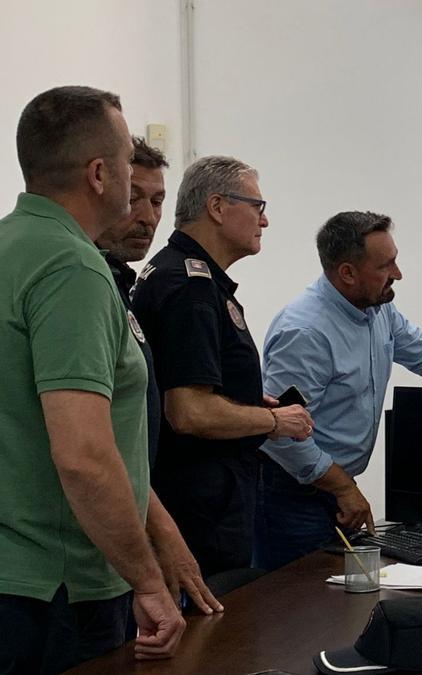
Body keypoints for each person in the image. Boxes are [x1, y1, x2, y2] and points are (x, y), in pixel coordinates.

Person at [0, 85, 185, 671]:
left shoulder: (10, 245)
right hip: (59, 587)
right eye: (131, 164)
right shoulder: (71, 265)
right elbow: (83, 453)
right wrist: (147, 581)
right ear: (100, 174)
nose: (136, 182)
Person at [254, 210, 422, 570]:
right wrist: (344, 488)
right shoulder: (305, 332)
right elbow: (282, 435)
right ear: (348, 273)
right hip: (291, 496)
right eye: (386, 265)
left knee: (334, 605)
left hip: (330, 489)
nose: (398, 274)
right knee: (294, 609)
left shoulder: (377, 310)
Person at [131, 155, 314, 577]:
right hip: (199, 512)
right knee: (218, 639)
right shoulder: (190, 288)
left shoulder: (182, 274)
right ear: (217, 207)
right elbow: (188, 411)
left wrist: (249, 402)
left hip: (204, 502)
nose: (264, 221)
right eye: (257, 206)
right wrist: (273, 421)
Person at [96, 137, 222, 615]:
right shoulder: (86, 282)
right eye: (133, 198)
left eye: (157, 200)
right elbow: (94, 444)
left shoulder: (121, 284)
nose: (147, 216)